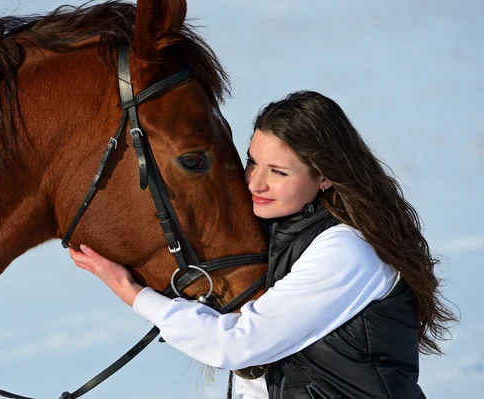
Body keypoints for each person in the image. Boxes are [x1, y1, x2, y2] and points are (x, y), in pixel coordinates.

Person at [69, 91, 456, 399]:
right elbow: (260, 378)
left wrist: (132, 293)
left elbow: (239, 343)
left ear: (324, 177)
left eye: (278, 172)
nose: (254, 183)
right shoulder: (280, 237)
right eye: (252, 162)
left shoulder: (346, 250)